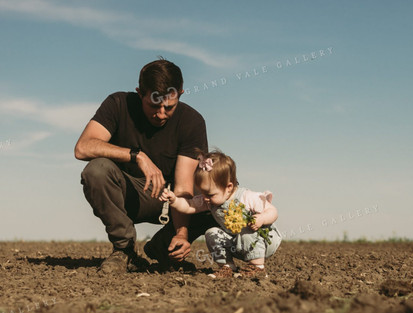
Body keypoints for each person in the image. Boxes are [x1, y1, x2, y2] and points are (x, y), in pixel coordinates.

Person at [75, 58, 216, 273]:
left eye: (169, 107)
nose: (161, 114)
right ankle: (125, 251)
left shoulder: (192, 121)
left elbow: (183, 188)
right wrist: (136, 156)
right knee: (96, 170)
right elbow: (83, 148)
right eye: (153, 105)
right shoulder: (118, 104)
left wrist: (181, 234)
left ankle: (163, 248)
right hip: (129, 195)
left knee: (218, 193)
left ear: (180, 94)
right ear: (139, 93)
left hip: (172, 201)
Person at [160, 149, 281, 278]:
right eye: (202, 193)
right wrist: (174, 200)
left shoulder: (246, 197)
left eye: (210, 194)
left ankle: (257, 268)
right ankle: (227, 267)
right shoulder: (209, 200)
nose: (205, 198)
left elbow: (273, 211)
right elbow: (189, 206)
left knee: (246, 229)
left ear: (229, 187)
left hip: (264, 242)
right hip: (237, 243)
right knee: (211, 232)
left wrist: (261, 219)